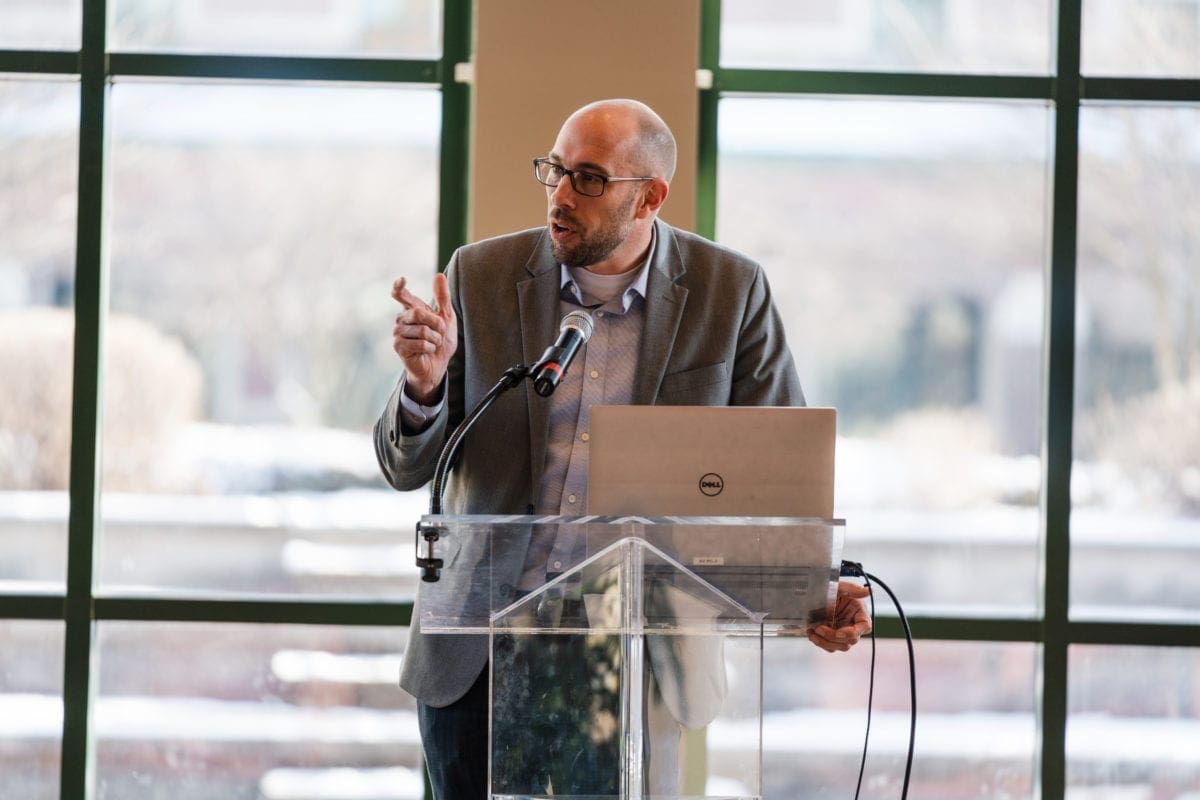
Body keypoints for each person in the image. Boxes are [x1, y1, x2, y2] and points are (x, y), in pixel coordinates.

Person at [374, 98, 871, 800]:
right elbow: (405, 467)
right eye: (554, 171)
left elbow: (778, 471)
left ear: (651, 196)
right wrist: (423, 386)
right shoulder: (477, 277)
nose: (561, 196)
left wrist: (811, 591)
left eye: (588, 178)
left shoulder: (731, 292)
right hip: (478, 652)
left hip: (638, 657)